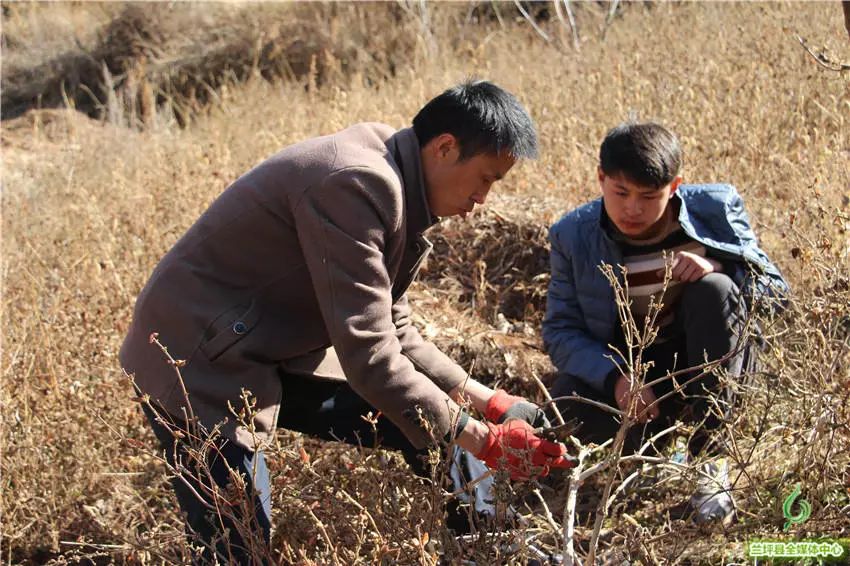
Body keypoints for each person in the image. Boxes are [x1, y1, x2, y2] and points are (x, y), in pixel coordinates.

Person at [120, 80, 573, 563]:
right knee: (238, 543)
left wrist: (493, 404)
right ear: (445, 148)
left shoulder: (399, 174)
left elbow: (393, 328)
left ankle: (488, 549)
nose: (483, 197)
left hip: (264, 342)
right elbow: (372, 358)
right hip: (195, 355)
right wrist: (486, 440)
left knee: (432, 425)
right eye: (486, 178)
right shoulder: (356, 182)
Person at [543, 122, 788, 525]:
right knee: (569, 403)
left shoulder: (716, 209)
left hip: (707, 362)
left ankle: (711, 457)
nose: (632, 209)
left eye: (649, 196)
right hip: (635, 372)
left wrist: (720, 265)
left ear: (675, 186)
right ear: (601, 178)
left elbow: (777, 295)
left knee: (715, 290)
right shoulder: (573, 234)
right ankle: (652, 456)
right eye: (620, 193)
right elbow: (560, 331)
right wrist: (615, 378)